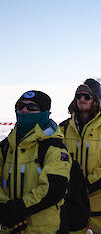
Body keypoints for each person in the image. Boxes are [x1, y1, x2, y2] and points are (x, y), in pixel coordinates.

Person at [59, 78, 101, 234]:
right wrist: (71, 186)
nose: (82, 99)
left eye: (87, 96)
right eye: (78, 96)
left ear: (96, 99)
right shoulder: (64, 128)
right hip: (73, 201)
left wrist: (86, 185)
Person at [0, 90, 71, 234]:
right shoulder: (6, 146)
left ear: (44, 113)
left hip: (43, 230)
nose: (24, 110)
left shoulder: (53, 147)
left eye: (32, 107)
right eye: (20, 106)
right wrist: (4, 208)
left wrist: (19, 209)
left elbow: (54, 189)